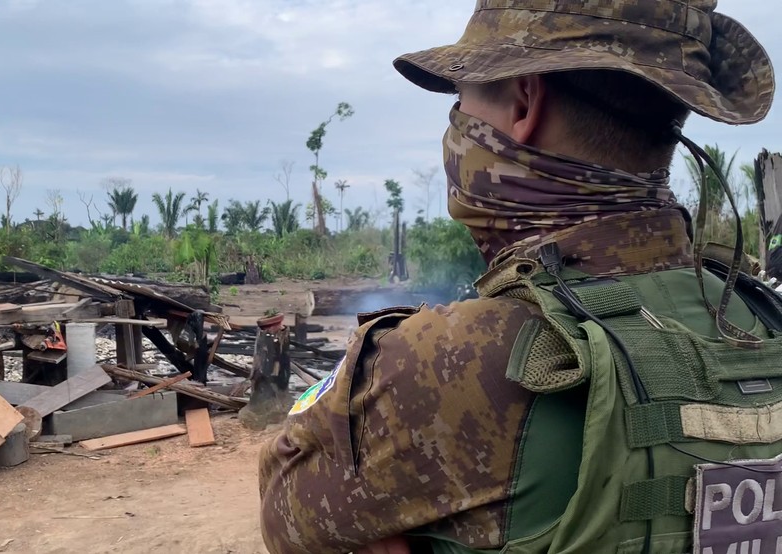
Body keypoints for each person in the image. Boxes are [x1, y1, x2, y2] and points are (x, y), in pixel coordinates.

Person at [258, 1, 782, 553]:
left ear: (525, 101)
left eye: (463, 99)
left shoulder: (449, 361)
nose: (457, 123)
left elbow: (284, 512)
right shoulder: (760, 317)